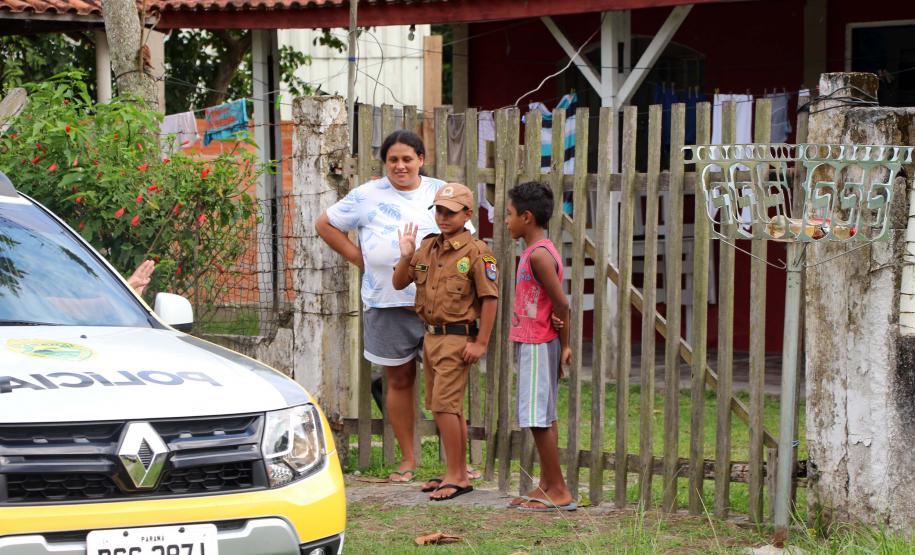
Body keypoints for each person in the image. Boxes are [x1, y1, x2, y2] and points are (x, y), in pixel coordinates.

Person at [315, 131, 480, 484]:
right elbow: (325, 224)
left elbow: (467, 242)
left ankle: (458, 465)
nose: (401, 165)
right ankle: (408, 459)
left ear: (421, 159)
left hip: (437, 308)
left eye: (408, 158)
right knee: (399, 380)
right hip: (386, 302)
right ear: (385, 163)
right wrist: (359, 258)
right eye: (393, 160)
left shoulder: (441, 193)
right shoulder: (366, 195)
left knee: (443, 385)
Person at [393, 183, 498, 501]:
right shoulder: (427, 248)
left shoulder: (477, 252)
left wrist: (481, 342)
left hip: (457, 338)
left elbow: (490, 299)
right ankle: (457, 470)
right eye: (438, 210)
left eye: (450, 212)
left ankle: (457, 476)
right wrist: (406, 255)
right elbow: (400, 283)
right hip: (431, 338)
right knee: (446, 407)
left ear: (467, 214)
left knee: (443, 406)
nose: (442, 217)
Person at [504, 181, 575, 512]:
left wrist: (565, 345)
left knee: (536, 418)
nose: (506, 221)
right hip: (536, 341)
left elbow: (563, 304)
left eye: (509, 214)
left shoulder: (540, 257)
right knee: (542, 414)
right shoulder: (536, 251)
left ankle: (559, 489)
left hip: (538, 343)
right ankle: (547, 484)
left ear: (527, 217)